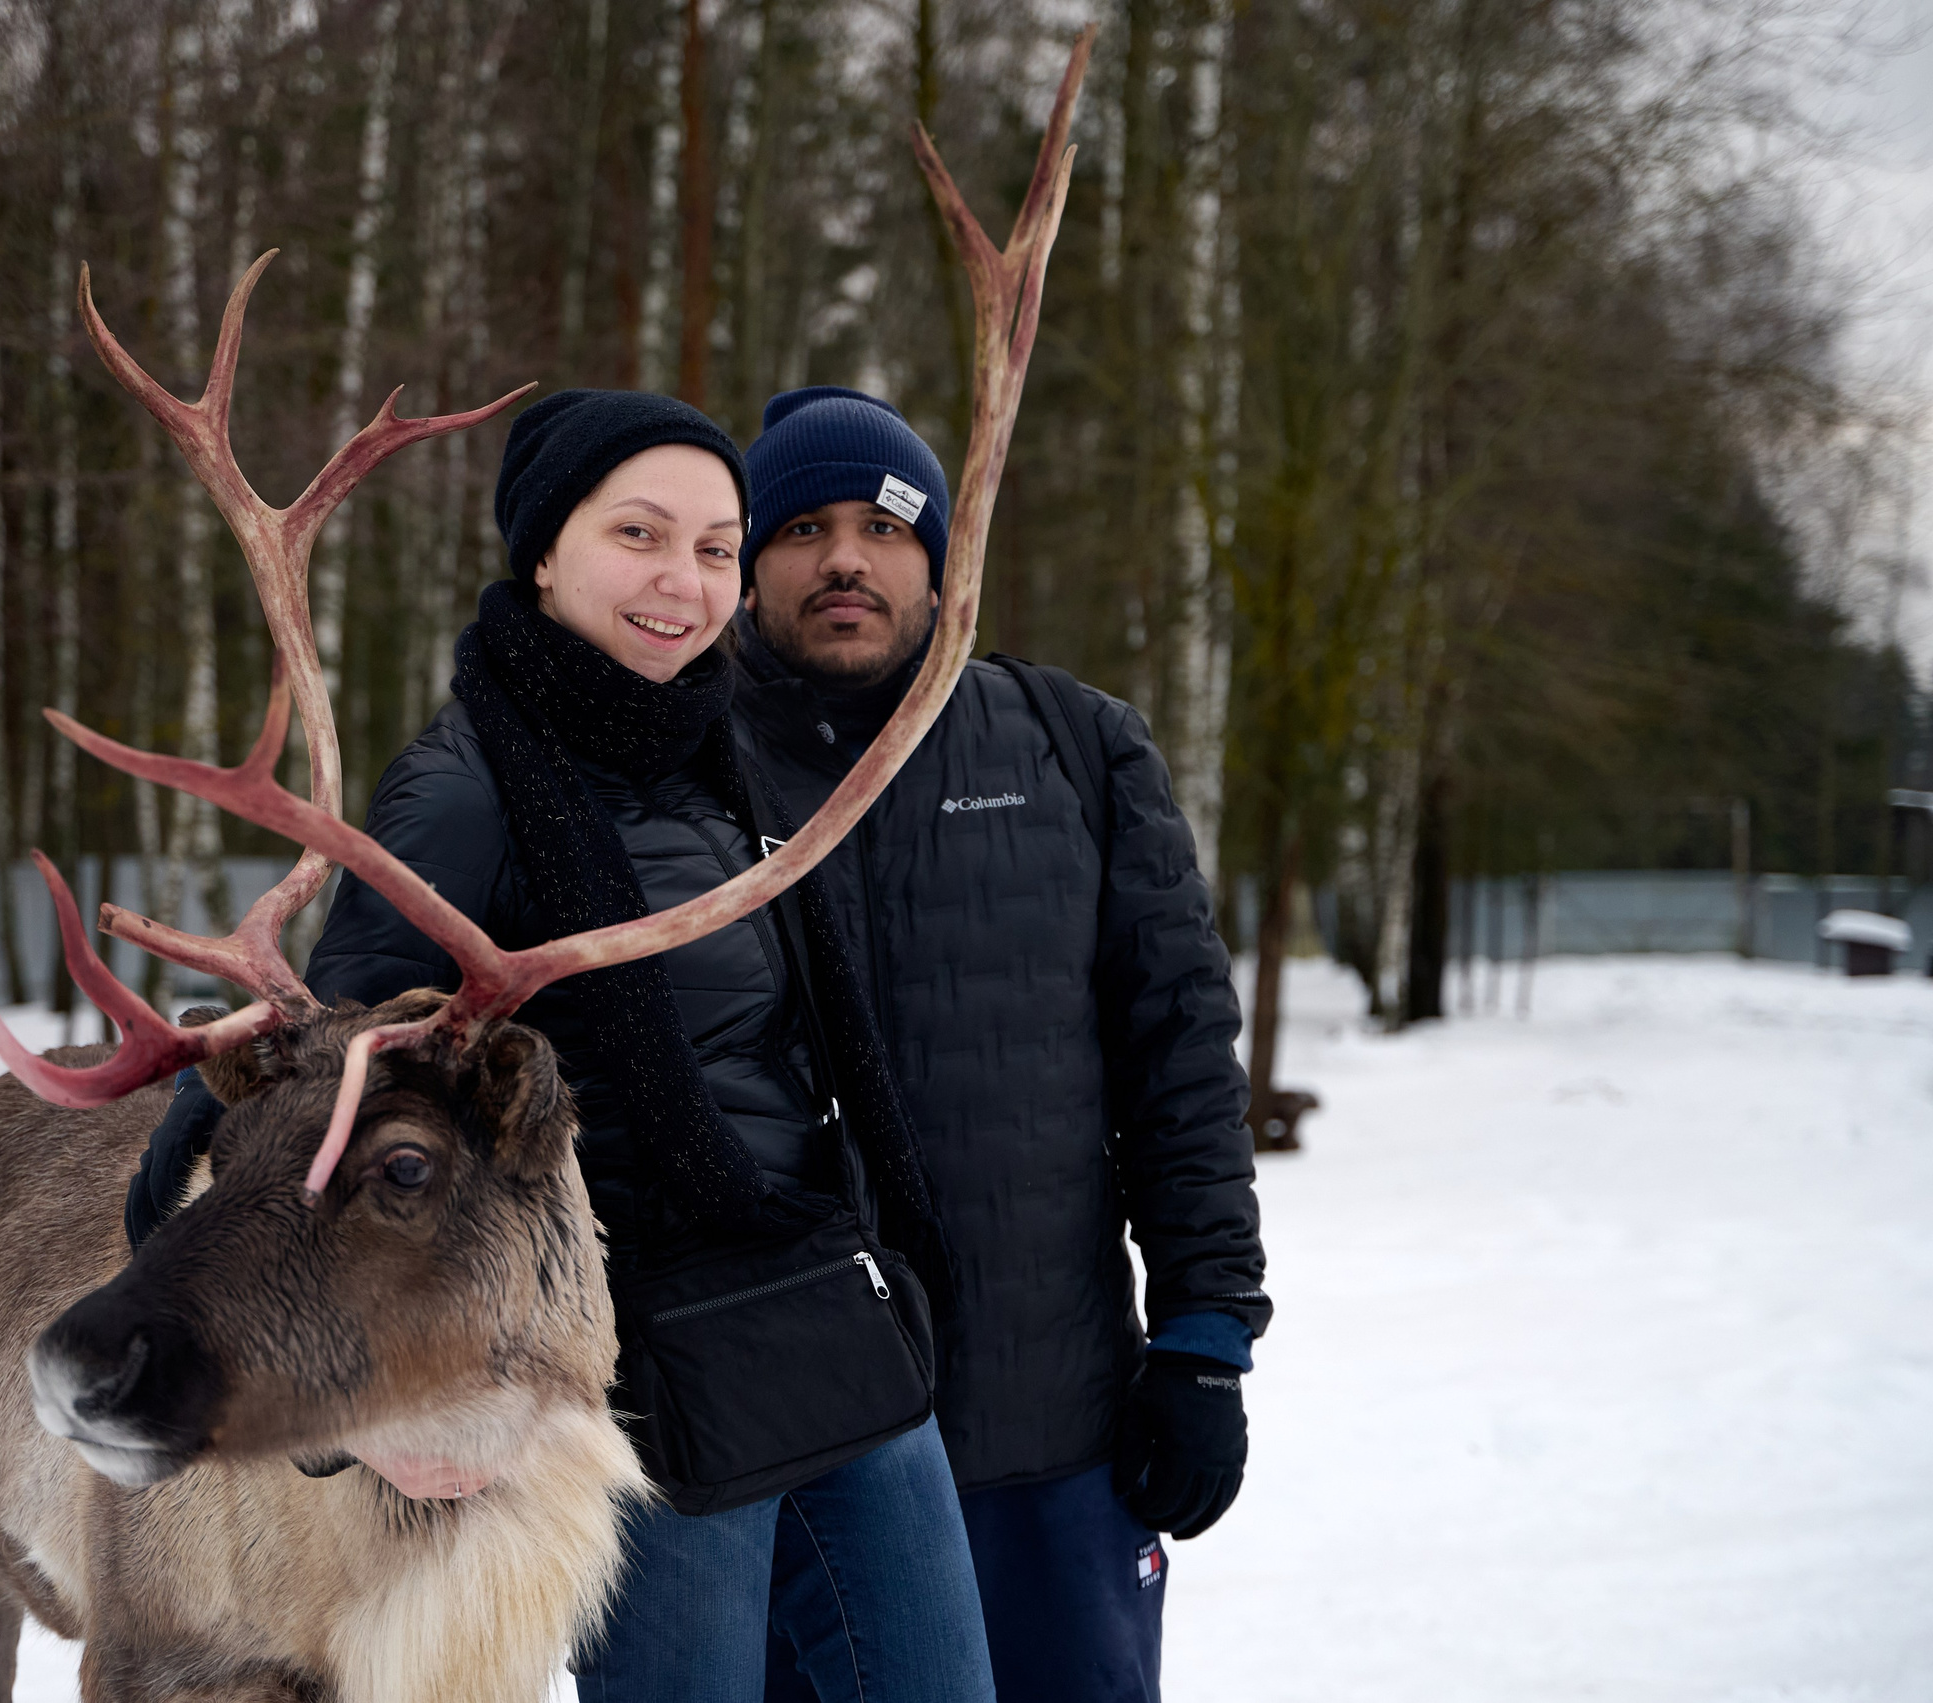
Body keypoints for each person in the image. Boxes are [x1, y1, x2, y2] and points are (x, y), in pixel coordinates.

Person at [125, 390, 996, 1703]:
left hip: (836, 1337)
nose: (683, 582)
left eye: (716, 548)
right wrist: (355, 1421)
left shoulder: (739, 761)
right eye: (638, 534)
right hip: (634, 1403)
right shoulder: (465, 794)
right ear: (544, 550)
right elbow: (308, 1117)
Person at [730, 387, 1271, 1703]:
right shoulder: (677, 772)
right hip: (766, 1456)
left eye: (884, 525)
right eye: (801, 527)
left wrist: (1203, 1339)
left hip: (1050, 1434)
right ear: (743, 566)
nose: (845, 557)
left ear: (946, 557)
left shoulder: (1074, 747)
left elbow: (1182, 1062)